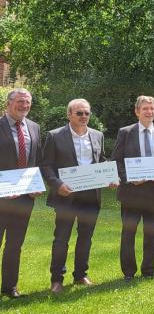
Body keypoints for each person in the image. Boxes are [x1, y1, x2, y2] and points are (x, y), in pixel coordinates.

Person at [41, 99, 114, 294]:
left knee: (86, 238)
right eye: (79, 113)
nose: (83, 117)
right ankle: (57, 279)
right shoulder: (55, 136)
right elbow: (46, 165)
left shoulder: (97, 135)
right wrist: (57, 185)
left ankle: (81, 274)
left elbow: (101, 160)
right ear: (69, 115)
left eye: (86, 113)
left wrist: (110, 176)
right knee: (61, 239)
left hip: (91, 196)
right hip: (66, 195)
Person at [112, 95, 154, 280]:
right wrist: (129, 178)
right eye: (145, 108)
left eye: (152, 108)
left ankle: (148, 270)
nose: (149, 112)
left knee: (151, 234)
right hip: (132, 192)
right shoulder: (125, 132)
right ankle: (129, 273)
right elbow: (116, 161)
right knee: (128, 234)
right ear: (137, 111)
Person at [0, 88, 42, 298]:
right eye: (20, 102)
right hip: (0, 199)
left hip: (25, 200)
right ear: (9, 103)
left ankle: (9, 287)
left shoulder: (34, 127)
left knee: (15, 245)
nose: (24, 106)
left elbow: (36, 161)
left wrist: (36, 185)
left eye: (27, 102)